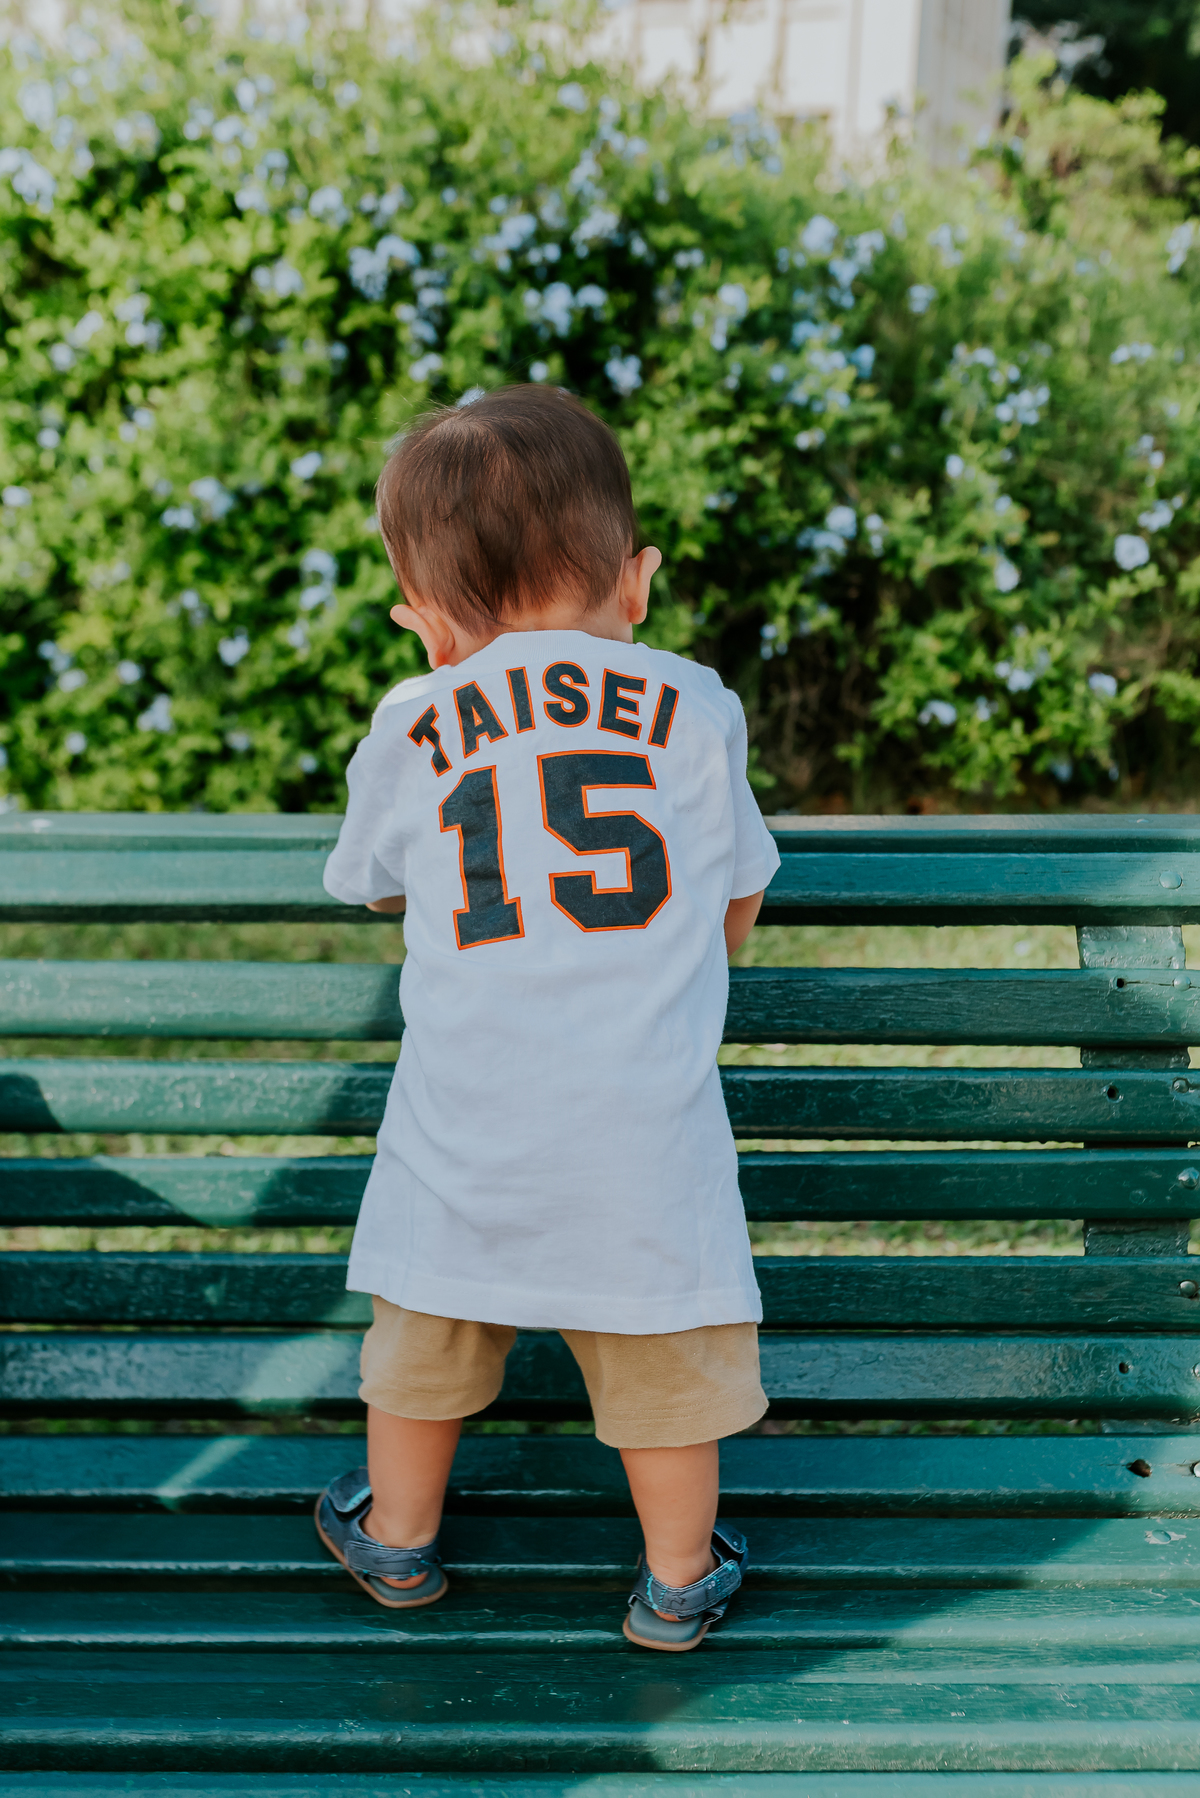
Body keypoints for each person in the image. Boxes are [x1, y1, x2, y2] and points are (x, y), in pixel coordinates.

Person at [314, 383, 780, 1652]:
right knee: (661, 1363)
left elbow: (372, 879)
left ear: (430, 619)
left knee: (425, 1327)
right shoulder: (693, 705)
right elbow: (736, 894)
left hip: (461, 1126)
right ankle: (677, 1577)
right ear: (637, 583)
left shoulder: (417, 718)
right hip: (643, 1131)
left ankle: (398, 1541)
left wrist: (446, 683)